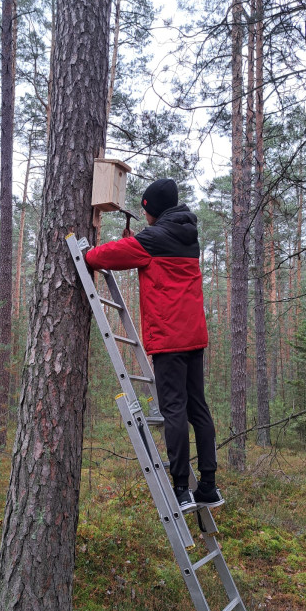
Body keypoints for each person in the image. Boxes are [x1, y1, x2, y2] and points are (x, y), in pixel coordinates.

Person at [85, 178, 222, 512]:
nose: (144, 216)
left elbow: (101, 257)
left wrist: (89, 251)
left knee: (173, 409)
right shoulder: (187, 236)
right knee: (197, 408)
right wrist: (139, 242)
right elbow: (152, 251)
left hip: (169, 337)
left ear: (153, 210)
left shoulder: (153, 238)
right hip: (193, 336)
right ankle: (208, 486)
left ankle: (180, 489)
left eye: (146, 210)